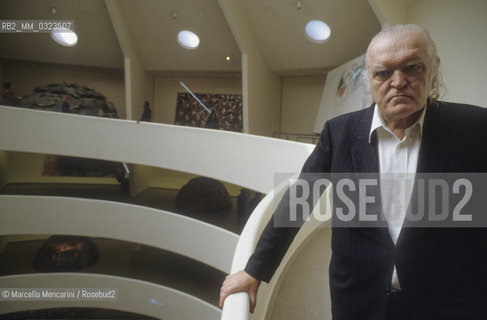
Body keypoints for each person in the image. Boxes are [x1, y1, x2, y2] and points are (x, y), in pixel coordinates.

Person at [219, 24, 487, 319]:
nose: (398, 82)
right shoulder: (339, 132)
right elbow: (299, 201)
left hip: (444, 301)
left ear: (433, 69)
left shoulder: (474, 129)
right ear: (369, 81)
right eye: (383, 73)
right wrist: (254, 270)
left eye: (412, 67)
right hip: (359, 300)